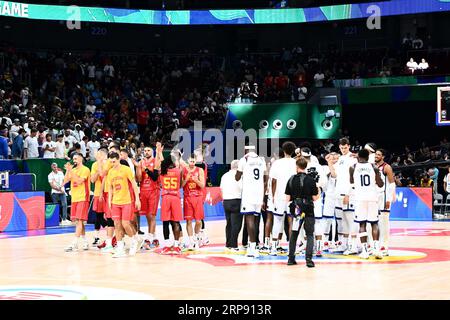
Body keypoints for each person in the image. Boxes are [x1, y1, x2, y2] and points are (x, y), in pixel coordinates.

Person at [106, 151, 142, 258]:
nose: (113, 163)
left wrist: (137, 199)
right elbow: (110, 188)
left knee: (125, 224)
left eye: (114, 161)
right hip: (115, 202)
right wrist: (109, 200)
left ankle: (134, 241)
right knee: (117, 225)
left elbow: (134, 184)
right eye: (111, 162)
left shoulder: (126, 169)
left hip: (126, 201)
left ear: (118, 159)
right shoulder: (110, 172)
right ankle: (120, 248)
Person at [350, 149, 384, 259]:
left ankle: (364, 251)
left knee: (362, 224)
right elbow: (380, 184)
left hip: (360, 198)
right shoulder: (373, 167)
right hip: (372, 197)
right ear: (368, 157)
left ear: (358, 156)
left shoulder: (353, 167)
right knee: (374, 223)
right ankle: (376, 249)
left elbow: (351, 181)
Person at [285, 157, 319, 268]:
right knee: (309, 234)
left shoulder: (291, 179)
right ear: (306, 167)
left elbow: (287, 198)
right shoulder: (311, 180)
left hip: (296, 209)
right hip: (308, 208)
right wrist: (319, 189)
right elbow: (315, 198)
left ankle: (291, 258)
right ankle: (308, 260)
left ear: (297, 166)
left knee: (294, 233)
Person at [235, 145, 267, 258]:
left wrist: (242, 173)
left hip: (249, 194)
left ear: (246, 150)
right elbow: (265, 178)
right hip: (259, 193)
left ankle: (252, 248)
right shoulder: (261, 160)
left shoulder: (244, 160)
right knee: (256, 220)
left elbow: (237, 177)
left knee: (249, 221)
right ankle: (255, 246)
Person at [267, 141, 297, 256]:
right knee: (291, 222)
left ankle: (274, 248)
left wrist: (272, 196)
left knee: (277, 221)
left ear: (283, 151)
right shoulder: (296, 163)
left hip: (279, 196)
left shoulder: (277, 163)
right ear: (293, 150)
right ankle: (291, 248)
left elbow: (273, 181)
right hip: (292, 197)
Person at [333, 137, 358, 254]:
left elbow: (353, 178)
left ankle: (354, 246)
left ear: (349, 146)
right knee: (342, 221)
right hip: (339, 193)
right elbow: (334, 174)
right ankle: (344, 244)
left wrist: (349, 193)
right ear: (339, 147)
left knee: (351, 220)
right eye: (342, 148)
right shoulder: (340, 159)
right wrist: (329, 162)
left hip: (349, 193)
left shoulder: (353, 158)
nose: (343, 149)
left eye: (345, 147)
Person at [136, 144, 163, 249]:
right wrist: (138, 168)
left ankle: (149, 238)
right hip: (143, 190)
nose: (146, 152)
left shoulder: (156, 161)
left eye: (148, 150)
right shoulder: (141, 162)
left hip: (153, 190)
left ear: (152, 152)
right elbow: (138, 179)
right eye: (145, 150)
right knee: (147, 215)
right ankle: (154, 237)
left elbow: (155, 177)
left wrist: (159, 150)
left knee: (152, 215)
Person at [302, 147, 327, 257]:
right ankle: (319, 248)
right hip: (317, 197)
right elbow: (324, 183)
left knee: (306, 222)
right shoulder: (319, 167)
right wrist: (319, 190)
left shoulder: (300, 166)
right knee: (318, 222)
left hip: (305, 197)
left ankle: (309, 248)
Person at [63, 153, 91, 252]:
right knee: (79, 221)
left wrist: (71, 171)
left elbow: (79, 181)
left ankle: (74, 243)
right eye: (73, 158)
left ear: (81, 159)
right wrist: (67, 170)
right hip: (74, 198)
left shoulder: (86, 169)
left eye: (75, 158)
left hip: (83, 197)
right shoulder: (73, 170)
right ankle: (85, 241)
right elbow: (64, 181)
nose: (73, 160)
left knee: (79, 220)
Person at [158, 156, 184, 255]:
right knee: (175, 222)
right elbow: (180, 185)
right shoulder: (178, 171)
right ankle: (177, 246)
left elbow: (160, 184)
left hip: (165, 198)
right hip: (175, 197)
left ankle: (167, 246)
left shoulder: (162, 172)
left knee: (165, 222)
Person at [182, 153, 205, 250]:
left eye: (193, 161)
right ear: (187, 161)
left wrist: (196, 181)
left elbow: (203, 185)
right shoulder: (183, 170)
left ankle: (196, 237)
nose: (192, 163)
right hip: (187, 197)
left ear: (195, 161)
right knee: (188, 221)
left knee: (199, 221)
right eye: (190, 161)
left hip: (197, 197)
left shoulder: (199, 170)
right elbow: (181, 186)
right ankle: (191, 241)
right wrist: (186, 180)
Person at [375, 149, 396, 256]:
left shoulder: (387, 167)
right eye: (376, 154)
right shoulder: (372, 166)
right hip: (374, 198)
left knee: (384, 224)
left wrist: (389, 199)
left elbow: (392, 184)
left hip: (384, 198)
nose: (376, 156)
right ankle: (375, 245)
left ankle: (384, 246)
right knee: (375, 223)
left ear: (383, 156)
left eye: (378, 155)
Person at [220, 160, 243, 251]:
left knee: (229, 223)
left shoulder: (224, 175)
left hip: (226, 201)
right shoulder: (240, 176)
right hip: (236, 201)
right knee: (236, 224)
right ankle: (234, 245)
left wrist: (223, 199)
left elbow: (221, 189)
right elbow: (242, 188)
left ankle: (228, 244)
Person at [90, 148, 109, 245]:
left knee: (109, 216)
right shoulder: (94, 165)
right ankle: (97, 236)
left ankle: (111, 234)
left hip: (108, 193)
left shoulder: (109, 163)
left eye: (98, 155)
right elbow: (92, 180)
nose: (97, 156)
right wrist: (98, 169)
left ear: (104, 155)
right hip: (98, 193)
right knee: (98, 215)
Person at [322, 152, 339, 251]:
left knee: (339, 221)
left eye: (336, 158)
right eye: (333, 158)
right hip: (329, 196)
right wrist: (330, 164)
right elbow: (330, 175)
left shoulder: (341, 167)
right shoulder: (324, 167)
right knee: (327, 220)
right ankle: (325, 242)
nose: (334, 160)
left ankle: (336, 242)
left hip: (339, 196)